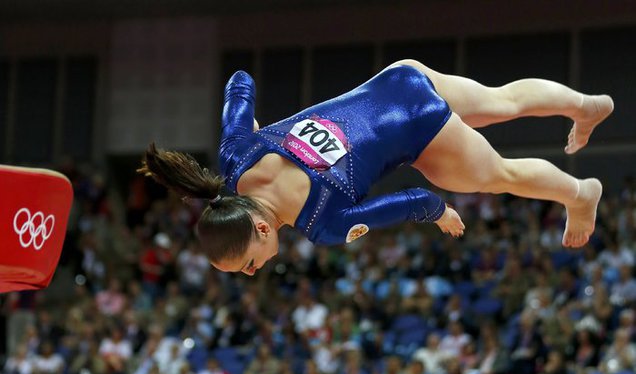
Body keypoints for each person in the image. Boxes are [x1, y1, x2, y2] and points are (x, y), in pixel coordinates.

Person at [139, 59, 613, 275]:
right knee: (502, 100)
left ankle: (580, 194)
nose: (251, 273)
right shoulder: (236, 156)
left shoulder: (322, 224)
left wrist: (441, 214)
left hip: (420, 129)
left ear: (261, 229)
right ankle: (585, 105)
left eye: (247, 264)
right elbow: (240, 82)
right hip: (398, 79)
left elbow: (414, 201)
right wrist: (264, 130)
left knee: (500, 176)